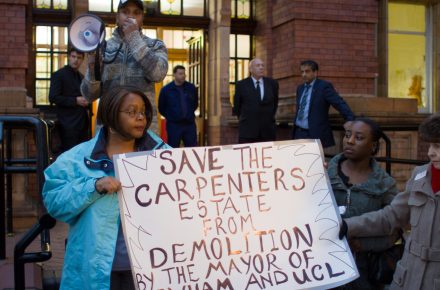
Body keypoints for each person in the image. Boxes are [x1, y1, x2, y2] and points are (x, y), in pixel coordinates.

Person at [42, 86, 169, 290]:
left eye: (143, 111)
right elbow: (54, 203)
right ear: (110, 118)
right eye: (131, 111)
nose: (140, 117)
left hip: (151, 269)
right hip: (97, 271)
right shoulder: (76, 159)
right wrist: (94, 187)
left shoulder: (165, 157)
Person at [339, 113, 440, 290]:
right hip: (407, 278)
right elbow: (391, 216)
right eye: (431, 145)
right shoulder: (420, 175)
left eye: (438, 146)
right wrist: (348, 226)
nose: (431, 152)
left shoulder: (383, 182)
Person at [328, 117, 399, 289]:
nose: (350, 141)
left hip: (364, 271)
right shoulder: (321, 175)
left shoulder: (385, 184)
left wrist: (363, 245)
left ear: (373, 146)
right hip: (323, 266)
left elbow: (395, 230)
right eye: (347, 135)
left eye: (359, 138)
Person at [80, 0, 168, 135]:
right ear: (117, 17)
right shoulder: (103, 47)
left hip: (144, 129)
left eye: (136, 13)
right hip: (109, 129)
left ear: (142, 19)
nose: (130, 17)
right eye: (125, 12)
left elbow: (158, 74)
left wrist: (134, 39)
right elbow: (89, 95)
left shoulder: (155, 45)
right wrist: (93, 70)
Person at [293, 60, 355, 148]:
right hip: (298, 132)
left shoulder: (323, 86)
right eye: (302, 72)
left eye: (307, 71)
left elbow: (338, 102)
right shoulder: (300, 88)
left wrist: (350, 119)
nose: (304, 74)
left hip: (314, 132)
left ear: (315, 72)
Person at [49, 47, 90, 152]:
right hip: (67, 124)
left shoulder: (81, 76)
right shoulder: (59, 75)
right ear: (68, 57)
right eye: (73, 56)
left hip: (82, 124)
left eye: (79, 58)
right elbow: (53, 97)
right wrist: (76, 100)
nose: (76, 60)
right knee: (68, 155)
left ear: (82, 60)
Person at [233, 58, 279, 143]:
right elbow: (237, 106)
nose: (261, 67)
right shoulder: (241, 85)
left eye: (262, 65)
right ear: (251, 69)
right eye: (258, 65)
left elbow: (275, 104)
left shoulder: (272, 84)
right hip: (247, 132)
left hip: (267, 132)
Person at [158, 65, 198, 148]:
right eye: (180, 73)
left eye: (184, 73)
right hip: (174, 125)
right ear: (174, 75)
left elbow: (195, 104)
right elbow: (161, 107)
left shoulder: (191, 88)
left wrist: (189, 114)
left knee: (192, 149)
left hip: (189, 125)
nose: (183, 75)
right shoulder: (166, 90)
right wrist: (171, 116)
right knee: (173, 149)